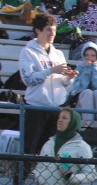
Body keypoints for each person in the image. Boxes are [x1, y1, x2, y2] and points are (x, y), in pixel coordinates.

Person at [19, 12, 77, 156]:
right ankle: (23, 171)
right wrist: (51, 70)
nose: (52, 34)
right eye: (48, 30)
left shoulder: (58, 54)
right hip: (36, 108)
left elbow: (62, 82)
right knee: (29, 148)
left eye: (54, 30)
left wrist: (69, 78)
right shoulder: (28, 52)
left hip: (56, 108)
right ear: (37, 30)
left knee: (49, 151)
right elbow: (29, 80)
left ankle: (42, 172)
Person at [68, 41, 97, 129]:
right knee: (87, 92)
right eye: (87, 55)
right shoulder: (79, 67)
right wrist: (86, 70)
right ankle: (87, 122)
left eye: (93, 55)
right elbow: (80, 87)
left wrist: (95, 71)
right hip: (81, 100)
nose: (89, 58)